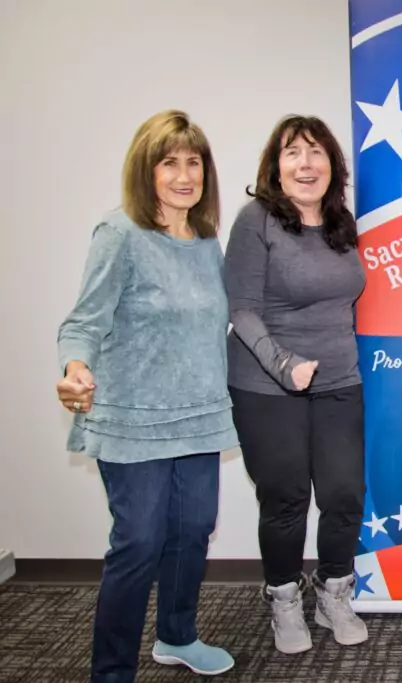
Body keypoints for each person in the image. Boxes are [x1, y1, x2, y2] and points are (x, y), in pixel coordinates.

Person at [56, 110, 237, 682]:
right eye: (169, 163)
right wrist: (75, 367)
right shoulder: (120, 234)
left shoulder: (205, 241)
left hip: (199, 415)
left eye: (194, 163)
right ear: (146, 170)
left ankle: (176, 636)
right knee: (138, 543)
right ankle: (111, 672)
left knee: (192, 530)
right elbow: (84, 321)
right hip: (133, 419)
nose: (185, 176)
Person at [223, 115, 367, 654]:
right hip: (267, 385)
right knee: (285, 498)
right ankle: (284, 600)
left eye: (316, 152)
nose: (305, 164)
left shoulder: (340, 222)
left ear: (332, 165)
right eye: (292, 153)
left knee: (344, 494)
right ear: (275, 167)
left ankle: (334, 595)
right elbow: (241, 309)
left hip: (339, 381)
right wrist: (284, 364)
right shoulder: (256, 220)